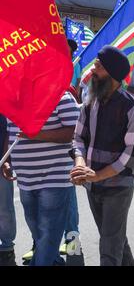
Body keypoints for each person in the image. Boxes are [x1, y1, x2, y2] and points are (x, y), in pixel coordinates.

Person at [71, 46, 134, 266]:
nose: (92, 70)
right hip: (93, 187)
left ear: (112, 74)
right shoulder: (89, 103)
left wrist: (95, 175)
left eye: (98, 66)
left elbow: (131, 157)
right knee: (116, 240)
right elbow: (78, 139)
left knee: (108, 250)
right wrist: (80, 164)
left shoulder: (133, 108)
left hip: (118, 188)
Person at [3, 92, 80, 266]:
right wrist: (7, 161)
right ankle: (53, 261)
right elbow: (10, 133)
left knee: (47, 233)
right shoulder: (14, 99)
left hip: (55, 178)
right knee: (39, 232)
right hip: (25, 180)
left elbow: (76, 131)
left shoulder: (60, 96)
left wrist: (36, 134)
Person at [0, 114, 16, 266]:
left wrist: (6, 159)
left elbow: (9, 130)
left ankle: (7, 249)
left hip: (1, 160)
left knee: (4, 209)